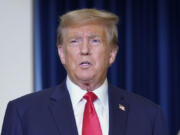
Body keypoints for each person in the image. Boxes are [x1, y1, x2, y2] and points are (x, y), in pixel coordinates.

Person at [1, 9, 169, 135]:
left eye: (95, 41)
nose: (84, 50)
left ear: (112, 53)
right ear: (62, 53)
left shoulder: (149, 116)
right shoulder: (23, 113)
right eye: (74, 41)